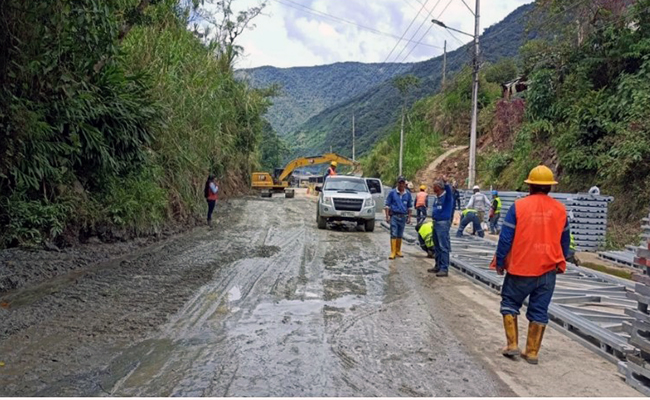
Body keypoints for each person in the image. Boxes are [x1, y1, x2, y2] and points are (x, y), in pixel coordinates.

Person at [491, 165, 570, 365]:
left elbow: (506, 238)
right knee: (539, 310)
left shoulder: (518, 207)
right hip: (548, 270)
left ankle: (512, 345)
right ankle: (532, 352)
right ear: (550, 187)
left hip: (521, 268)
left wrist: (500, 261)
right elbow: (565, 242)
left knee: (509, 303)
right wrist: (561, 261)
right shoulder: (560, 210)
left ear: (530, 186)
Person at [430, 177, 454, 276]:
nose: (433, 187)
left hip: (443, 224)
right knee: (437, 246)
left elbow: (449, 191)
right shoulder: (437, 198)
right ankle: (438, 265)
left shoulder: (447, 197)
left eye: (434, 186)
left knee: (443, 246)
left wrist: (446, 182)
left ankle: (444, 268)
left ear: (439, 187)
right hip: (436, 223)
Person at [385, 176, 413, 260]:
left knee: (400, 234)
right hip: (394, 216)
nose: (401, 184)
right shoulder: (392, 193)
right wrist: (387, 217)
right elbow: (387, 205)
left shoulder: (408, 194)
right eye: (400, 183)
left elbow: (410, 207)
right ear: (397, 183)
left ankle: (398, 250)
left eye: (402, 183)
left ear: (405, 184)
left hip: (403, 216)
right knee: (394, 233)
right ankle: (393, 251)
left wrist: (409, 218)